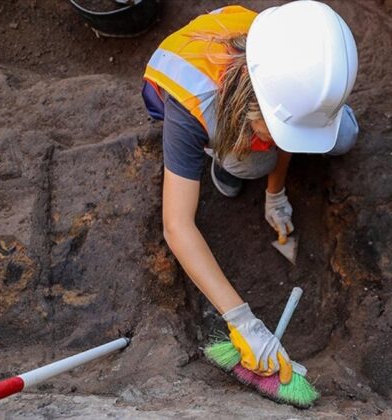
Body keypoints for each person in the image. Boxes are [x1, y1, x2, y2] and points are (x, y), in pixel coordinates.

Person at [141, 1, 358, 385]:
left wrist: (275, 194)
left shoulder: (293, 60)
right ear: (249, 105)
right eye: (273, 128)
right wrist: (241, 319)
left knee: (343, 135)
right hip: (204, 102)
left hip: (267, 103)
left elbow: (288, 131)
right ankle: (222, 157)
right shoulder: (189, 107)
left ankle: (269, 147)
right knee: (252, 162)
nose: (279, 140)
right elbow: (176, 225)